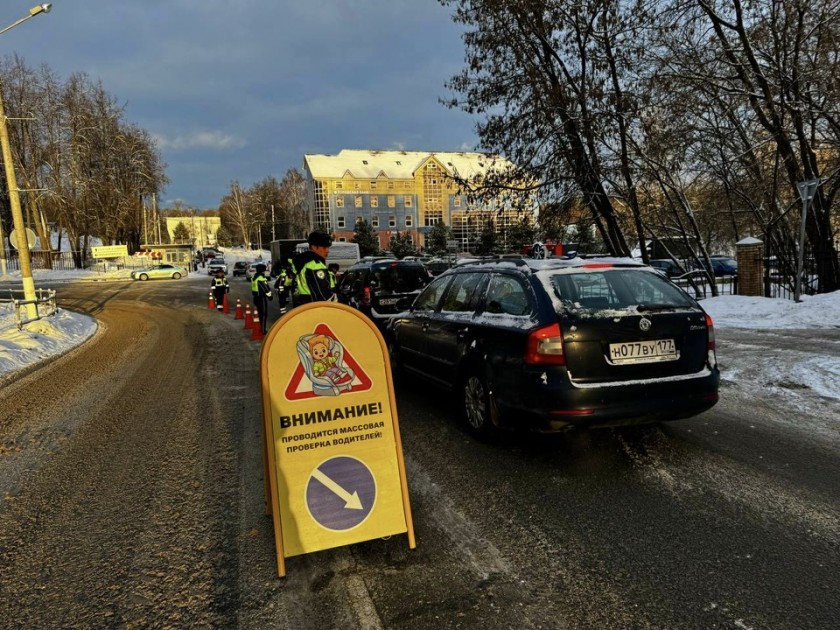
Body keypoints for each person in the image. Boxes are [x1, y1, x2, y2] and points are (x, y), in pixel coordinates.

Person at [292, 231, 335, 305]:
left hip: (304, 305)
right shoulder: (315, 265)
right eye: (324, 247)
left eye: (328, 247)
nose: (328, 251)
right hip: (318, 309)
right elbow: (323, 295)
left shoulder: (303, 262)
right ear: (314, 247)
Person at [250, 263, 272, 333]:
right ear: (263, 270)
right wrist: (270, 296)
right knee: (263, 314)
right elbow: (265, 288)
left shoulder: (254, 277)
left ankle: (258, 327)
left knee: (259, 313)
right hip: (262, 297)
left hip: (256, 297)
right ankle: (263, 330)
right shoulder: (261, 278)